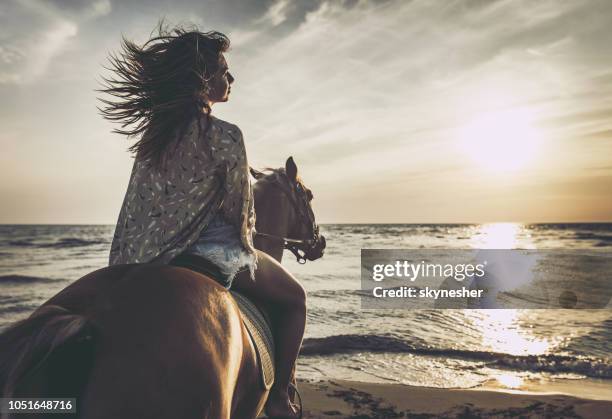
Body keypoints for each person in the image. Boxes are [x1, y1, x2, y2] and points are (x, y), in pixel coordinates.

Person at [100, 24, 305, 418]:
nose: (231, 78)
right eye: (224, 70)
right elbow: (240, 215)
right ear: (204, 78)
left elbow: (139, 203)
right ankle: (279, 397)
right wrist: (247, 238)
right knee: (296, 299)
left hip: (143, 259)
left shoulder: (154, 137)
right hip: (209, 255)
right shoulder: (227, 136)